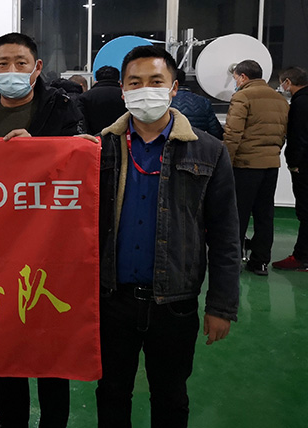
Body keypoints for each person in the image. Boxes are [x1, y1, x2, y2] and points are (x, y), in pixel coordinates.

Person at [96, 45, 240, 428]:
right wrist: (26, 149)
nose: (145, 90)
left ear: (174, 88)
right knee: (111, 393)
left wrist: (221, 306)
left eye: (156, 81)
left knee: (171, 397)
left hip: (175, 303)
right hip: (112, 300)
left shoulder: (209, 151)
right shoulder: (98, 148)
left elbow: (226, 236)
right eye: (135, 82)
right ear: (123, 90)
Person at [0, 32, 84, 428]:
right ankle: (10, 421)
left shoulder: (62, 108)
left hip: (49, 246)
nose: (11, 70)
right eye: (3, 63)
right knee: (6, 345)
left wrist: (40, 149)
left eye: (20, 63)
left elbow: (81, 156)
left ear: (37, 68)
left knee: (50, 343)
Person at [224, 59, 289, 276]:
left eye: (235, 78)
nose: (235, 83)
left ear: (243, 77)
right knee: (265, 215)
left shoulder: (242, 97)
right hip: (271, 165)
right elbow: (282, 134)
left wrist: (226, 163)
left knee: (238, 214)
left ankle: (232, 261)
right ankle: (260, 262)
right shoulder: (280, 99)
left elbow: (233, 134)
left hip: (245, 165)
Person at [272, 67, 308, 271]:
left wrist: (293, 163)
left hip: (307, 166)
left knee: (307, 213)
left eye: (282, 82)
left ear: (288, 82)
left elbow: (298, 136)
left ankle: (301, 257)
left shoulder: (302, 103)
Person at [170, 69, 223, 139]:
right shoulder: (203, 101)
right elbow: (216, 132)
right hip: (197, 143)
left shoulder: (167, 101)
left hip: (171, 142)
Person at [77, 66, 127, 136]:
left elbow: (82, 121)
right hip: (122, 137)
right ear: (119, 80)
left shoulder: (85, 97)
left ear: (96, 80)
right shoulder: (125, 95)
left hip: (94, 138)